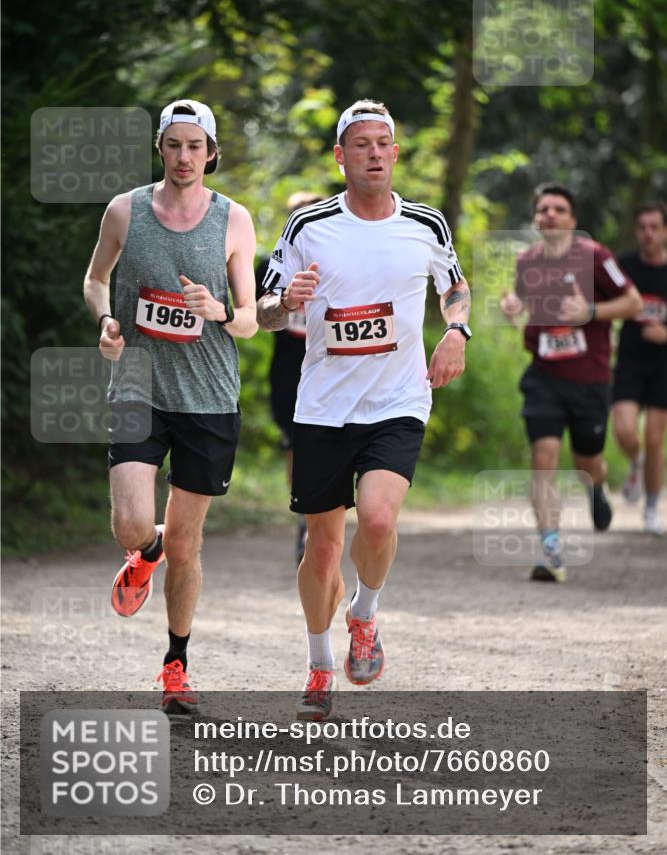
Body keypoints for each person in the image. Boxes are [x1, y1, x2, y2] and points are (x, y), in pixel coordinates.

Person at [257, 99, 470, 720]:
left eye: (384, 143)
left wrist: (456, 332)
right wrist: (285, 302)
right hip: (324, 406)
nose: (374, 153)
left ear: (395, 154)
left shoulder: (426, 225)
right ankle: (319, 663)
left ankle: (365, 615)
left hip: (398, 400)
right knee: (322, 548)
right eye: (362, 144)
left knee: (376, 520)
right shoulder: (308, 228)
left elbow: (454, 286)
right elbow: (267, 309)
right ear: (341, 156)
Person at [83, 99, 257, 712]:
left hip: (208, 398)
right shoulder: (125, 211)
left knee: (189, 546)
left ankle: (176, 667)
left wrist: (221, 312)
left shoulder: (234, 220)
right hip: (137, 385)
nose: (184, 157)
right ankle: (145, 549)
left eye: (195, 146)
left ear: (212, 152)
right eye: (173, 144)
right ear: (161, 148)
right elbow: (96, 277)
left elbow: (251, 322)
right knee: (131, 526)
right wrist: (106, 319)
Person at [501, 183, 642, 584]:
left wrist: (591, 311)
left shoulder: (596, 257)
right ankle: (551, 551)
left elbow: (632, 303)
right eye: (542, 209)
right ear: (535, 219)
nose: (549, 215)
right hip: (544, 377)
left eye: (558, 209)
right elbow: (524, 298)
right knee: (543, 458)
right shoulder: (528, 261)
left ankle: (596, 487)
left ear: (573, 220)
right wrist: (512, 304)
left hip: (590, 380)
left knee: (587, 461)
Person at [255, 192, 324, 566]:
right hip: (288, 374)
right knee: (295, 448)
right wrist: (282, 304)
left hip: (333, 372)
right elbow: (257, 316)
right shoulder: (271, 264)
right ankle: (303, 515)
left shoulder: (340, 259)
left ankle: (320, 516)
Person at [611, 201, 667, 535]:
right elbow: (605, 300)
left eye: (654, 227)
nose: (647, 233)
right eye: (642, 227)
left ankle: (650, 508)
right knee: (625, 430)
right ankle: (636, 461)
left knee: (655, 437)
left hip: (663, 365)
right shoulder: (625, 265)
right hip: (630, 359)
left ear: (664, 231)